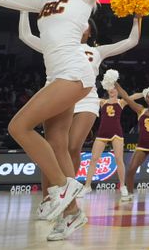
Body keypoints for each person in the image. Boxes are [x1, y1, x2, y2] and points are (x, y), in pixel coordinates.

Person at [0, 0, 127, 240]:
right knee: (57, 143)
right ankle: (72, 214)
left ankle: (63, 186)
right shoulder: (43, 2)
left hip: (74, 73)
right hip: (55, 77)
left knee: (18, 126)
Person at [19, 13, 141, 203]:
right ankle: (47, 199)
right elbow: (26, 36)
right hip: (58, 96)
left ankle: (68, 193)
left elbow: (132, 41)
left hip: (86, 98)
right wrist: (23, 9)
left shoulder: (97, 51)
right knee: (52, 147)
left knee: (73, 146)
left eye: (85, 24)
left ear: (90, 32)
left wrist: (137, 17)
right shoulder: (56, 46)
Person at [83, 81, 142, 202]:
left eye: (114, 88)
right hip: (102, 133)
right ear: (107, 89)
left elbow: (133, 96)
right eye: (110, 88)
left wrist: (145, 93)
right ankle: (87, 186)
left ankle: (122, 186)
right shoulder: (102, 102)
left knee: (119, 159)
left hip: (116, 133)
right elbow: (89, 97)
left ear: (117, 91)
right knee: (94, 158)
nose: (112, 90)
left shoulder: (121, 102)